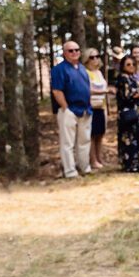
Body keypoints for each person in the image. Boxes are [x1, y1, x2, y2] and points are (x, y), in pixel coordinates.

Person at [51, 41, 93, 179]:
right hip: (69, 110)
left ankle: (84, 167)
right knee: (67, 143)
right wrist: (66, 108)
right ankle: (70, 171)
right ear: (64, 53)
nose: (74, 52)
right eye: (70, 50)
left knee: (84, 141)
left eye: (77, 50)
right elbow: (57, 91)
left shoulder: (82, 68)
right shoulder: (59, 69)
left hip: (85, 110)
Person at [115, 54, 139, 173]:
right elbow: (128, 96)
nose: (131, 66)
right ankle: (132, 164)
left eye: (133, 64)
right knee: (131, 138)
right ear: (123, 66)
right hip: (130, 114)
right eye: (128, 64)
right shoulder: (123, 78)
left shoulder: (133, 77)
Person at [84, 49, 111, 171]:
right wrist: (104, 91)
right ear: (87, 59)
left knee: (100, 134)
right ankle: (93, 160)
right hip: (91, 107)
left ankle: (99, 158)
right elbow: (87, 90)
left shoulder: (99, 73)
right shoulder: (85, 73)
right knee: (92, 135)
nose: (95, 59)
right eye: (92, 57)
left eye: (97, 56)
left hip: (101, 107)